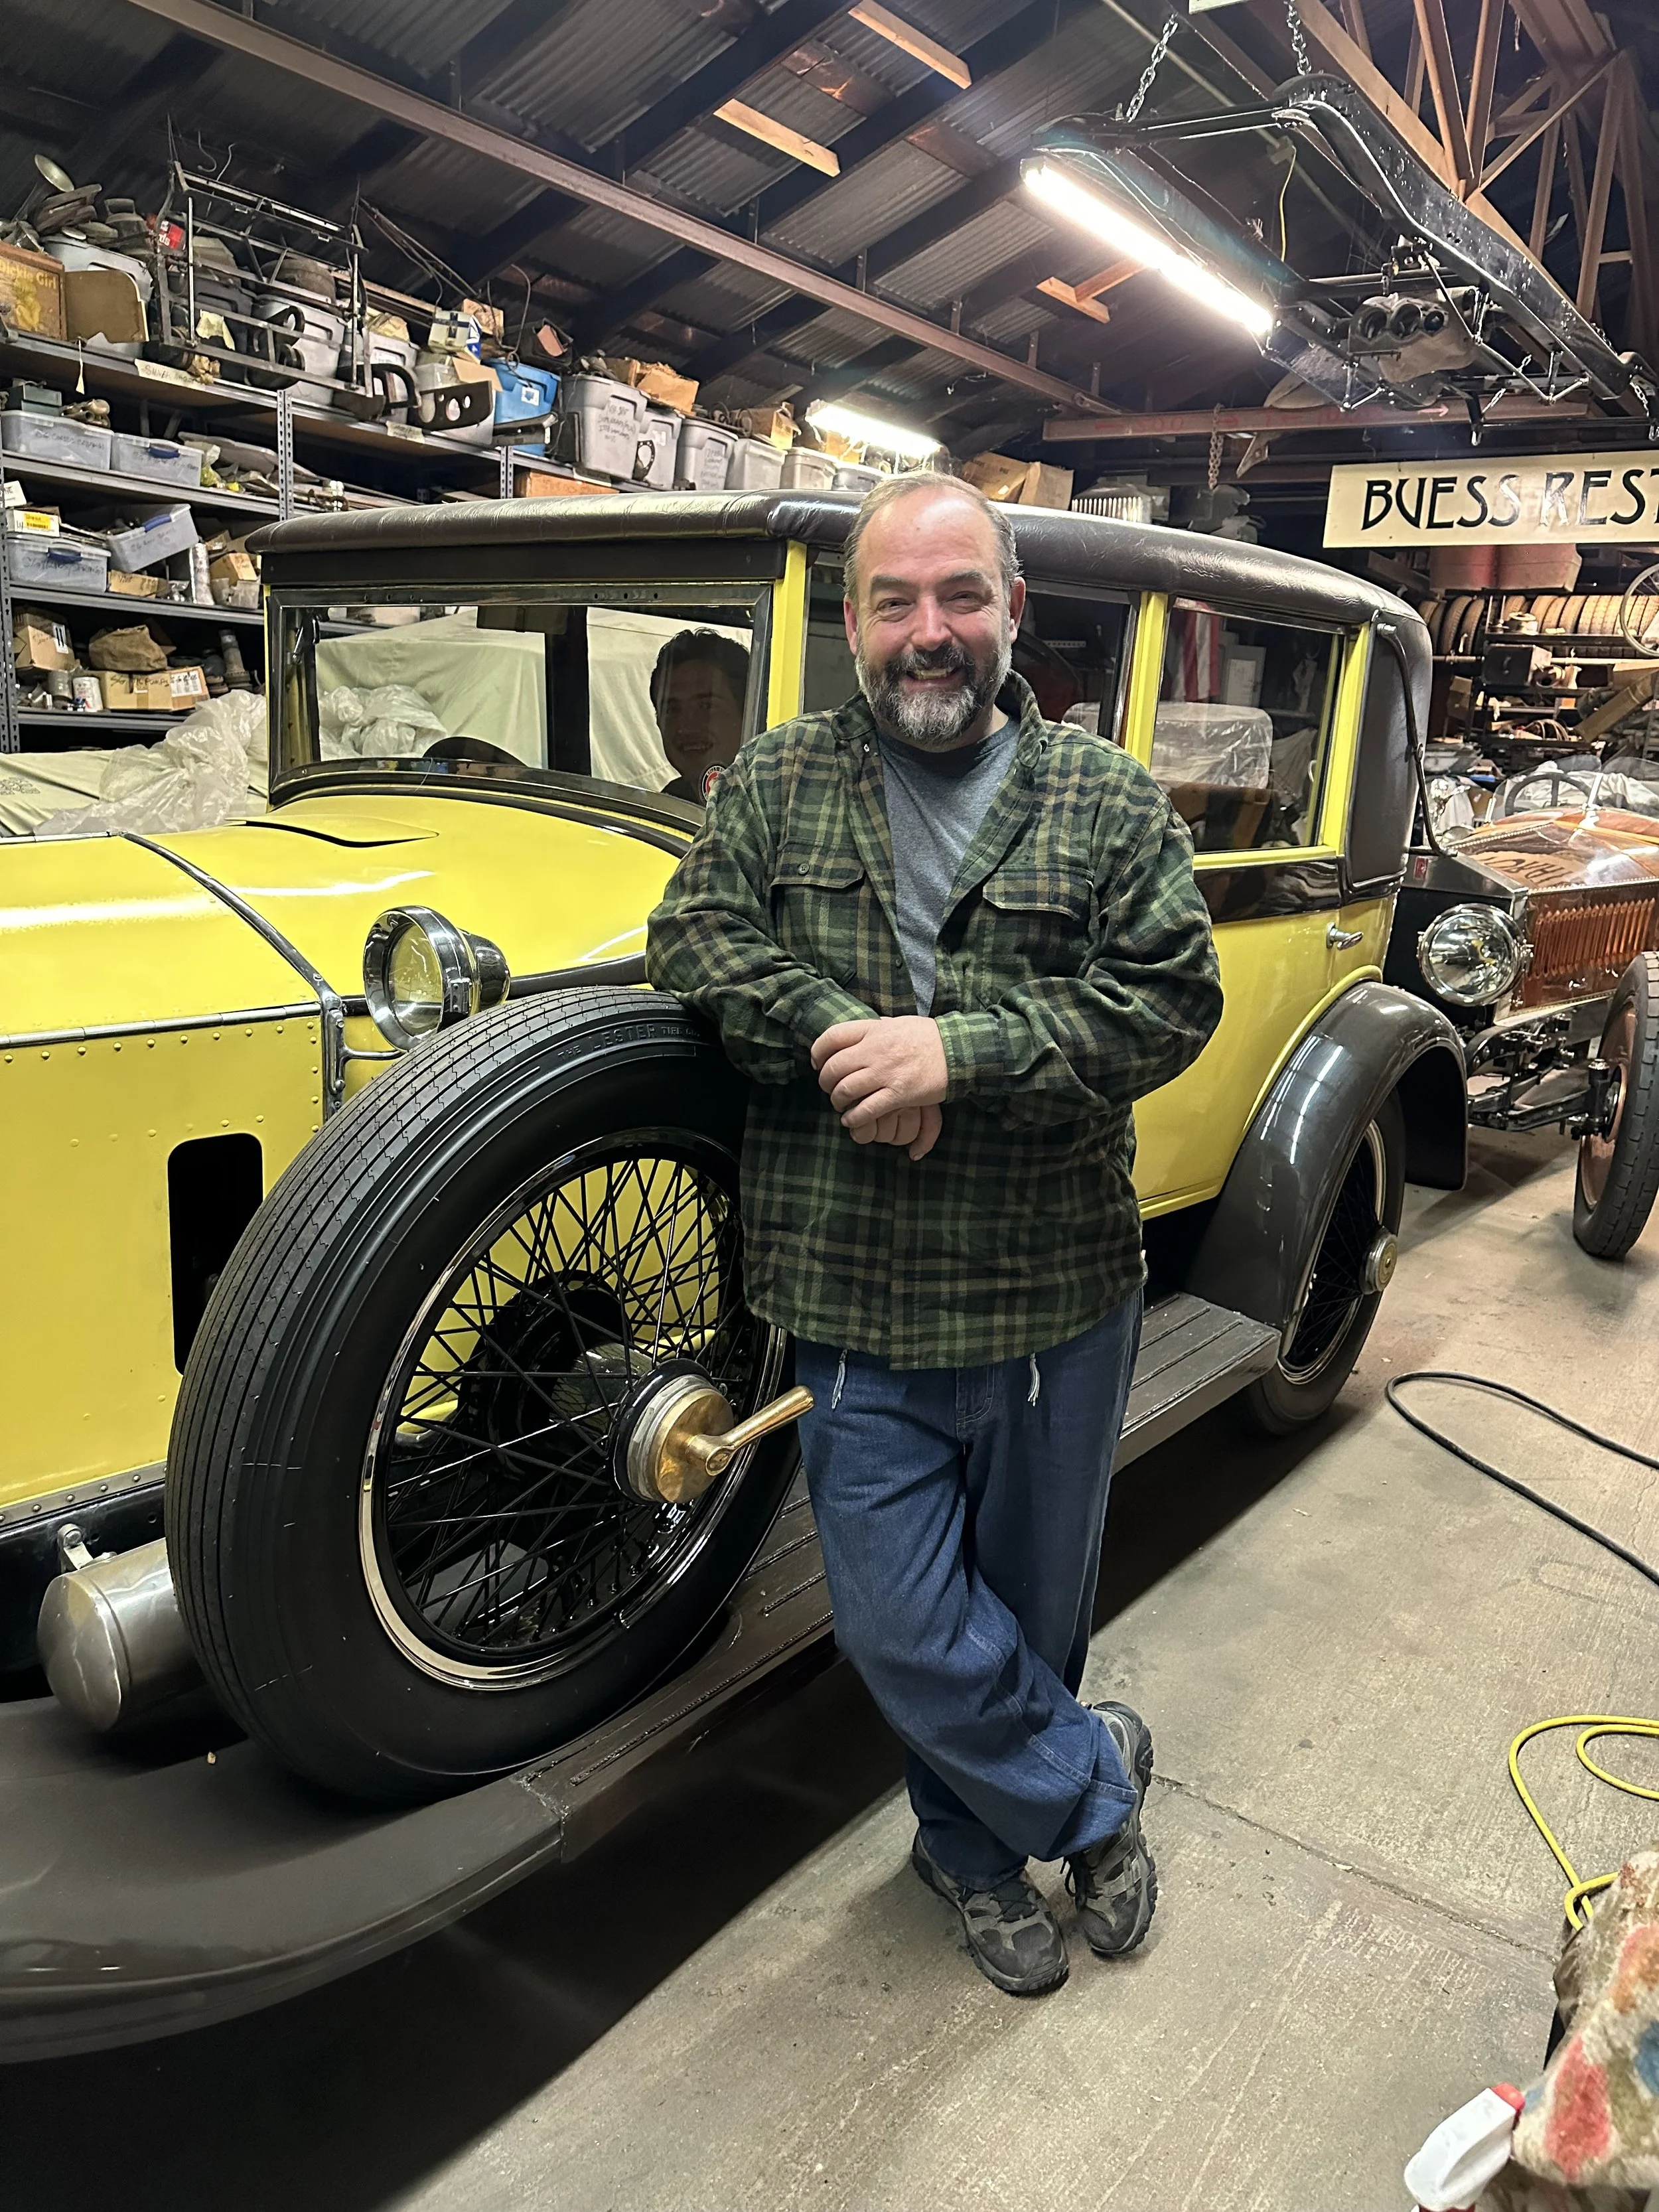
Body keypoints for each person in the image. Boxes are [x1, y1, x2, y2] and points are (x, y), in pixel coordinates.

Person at [646, 473, 1222, 1997]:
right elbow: (692, 937)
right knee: (900, 1623)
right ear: (850, 625)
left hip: (1054, 1300)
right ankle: (1090, 1793)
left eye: (960, 596)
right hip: (851, 1298)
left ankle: (965, 1856)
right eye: (895, 601)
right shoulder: (772, 784)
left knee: (1034, 1609)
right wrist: (845, 1037)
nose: (930, 632)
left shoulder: (1106, 800)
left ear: (1013, 611)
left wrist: (952, 1055)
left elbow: (1172, 1001)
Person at [650, 628, 750, 800]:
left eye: (706, 706)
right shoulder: (671, 802)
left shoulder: (772, 808)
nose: (685, 727)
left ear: (747, 715)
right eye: (672, 710)